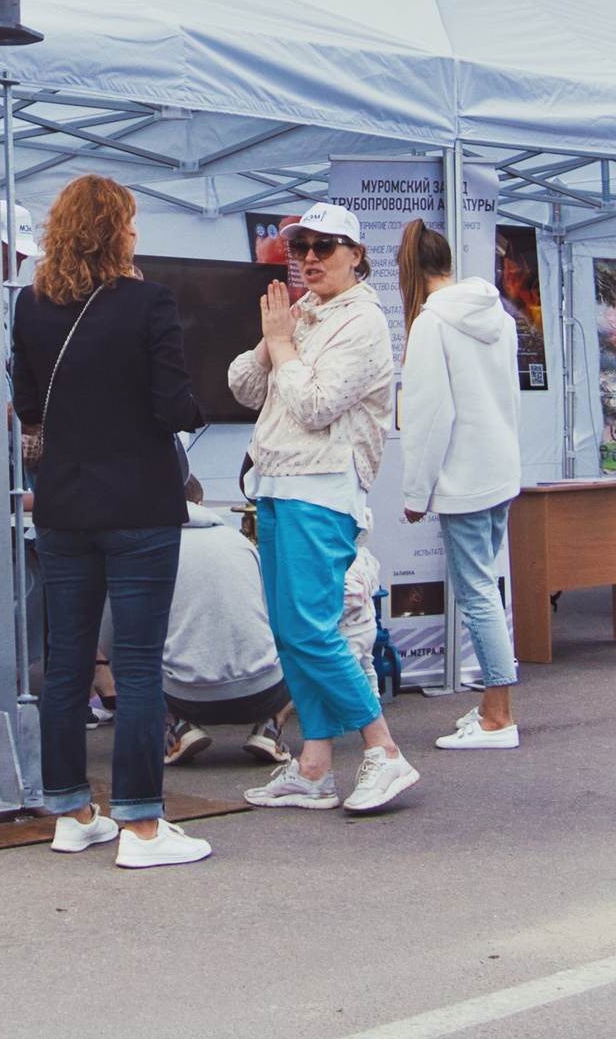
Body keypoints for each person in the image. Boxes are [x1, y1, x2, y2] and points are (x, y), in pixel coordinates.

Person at [10, 174, 209, 869]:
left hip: (64, 505)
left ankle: (71, 811)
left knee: (65, 662)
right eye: (129, 221)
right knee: (138, 662)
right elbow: (171, 406)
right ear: (115, 230)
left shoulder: (30, 308)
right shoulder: (150, 303)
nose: (135, 231)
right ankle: (142, 828)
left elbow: (28, 407)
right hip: (140, 506)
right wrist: (190, 412)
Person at [227, 202, 418, 815]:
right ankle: (314, 766)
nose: (309, 257)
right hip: (280, 485)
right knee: (291, 634)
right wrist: (273, 344)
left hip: (323, 488)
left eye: (325, 246)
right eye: (301, 246)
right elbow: (240, 386)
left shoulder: (362, 322)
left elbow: (313, 405)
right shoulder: (305, 312)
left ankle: (383, 750)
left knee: (311, 630)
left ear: (356, 256)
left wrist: (281, 345)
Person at [395, 219, 525, 750]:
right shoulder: (499, 314)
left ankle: (498, 715)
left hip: (464, 476)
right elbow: (509, 400)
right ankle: (495, 709)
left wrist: (413, 492)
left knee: (477, 595)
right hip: (498, 470)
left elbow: (429, 416)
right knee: (485, 590)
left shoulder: (431, 324)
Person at [155, 477, 294, 768]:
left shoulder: (154, 549)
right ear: (201, 503)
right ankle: (271, 725)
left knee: (130, 648)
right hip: (262, 691)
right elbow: (271, 615)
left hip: (186, 696)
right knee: (304, 645)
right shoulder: (240, 542)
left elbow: (112, 640)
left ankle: (179, 726)